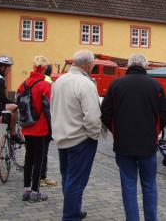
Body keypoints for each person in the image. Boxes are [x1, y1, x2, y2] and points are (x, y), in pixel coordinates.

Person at [101, 53, 166, 221]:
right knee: (149, 186)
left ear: (129, 65)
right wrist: (156, 130)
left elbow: (105, 114)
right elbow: (165, 113)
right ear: (145, 66)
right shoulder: (155, 85)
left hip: (123, 145)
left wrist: (115, 130)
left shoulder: (116, 84)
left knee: (129, 186)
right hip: (148, 145)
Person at [50, 50, 101, 221]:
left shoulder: (59, 81)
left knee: (68, 178)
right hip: (80, 139)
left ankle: (74, 209)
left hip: (62, 137)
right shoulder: (86, 84)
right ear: (88, 65)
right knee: (76, 181)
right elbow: (92, 117)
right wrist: (93, 136)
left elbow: (52, 108)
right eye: (93, 63)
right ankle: (70, 215)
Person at [17, 55, 52, 202]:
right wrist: (52, 128)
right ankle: (35, 192)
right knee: (39, 159)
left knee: (28, 158)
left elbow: (19, 104)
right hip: (41, 128)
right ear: (44, 68)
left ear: (33, 67)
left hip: (27, 126)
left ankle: (26, 190)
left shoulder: (23, 84)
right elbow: (48, 109)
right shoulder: (45, 85)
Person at [39, 64, 57, 187]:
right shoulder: (49, 82)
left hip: (29, 121)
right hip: (44, 122)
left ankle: (32, 176)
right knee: (43, 151)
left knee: (31, 151)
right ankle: (42, 177)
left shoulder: (30, 80)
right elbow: (51, 104)